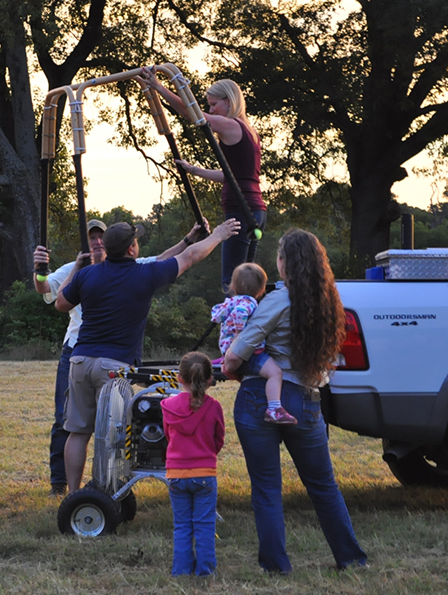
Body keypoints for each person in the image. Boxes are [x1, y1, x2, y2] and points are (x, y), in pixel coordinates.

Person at [54, 217, 240, 494]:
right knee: (113, 434)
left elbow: (60, 303)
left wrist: (77, 270)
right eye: (136, 241)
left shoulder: (87, 275)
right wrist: (219, 236)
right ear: (131, 249)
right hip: (113, 367)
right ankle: (108, 491)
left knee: (78, 432)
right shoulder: (144, 274)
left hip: (79, 360)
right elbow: (189, 258)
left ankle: (72, 494)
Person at [222, 229, 368, 574]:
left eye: (279, 257)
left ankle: (276, 566)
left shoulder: (276, 300)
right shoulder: (330, 303)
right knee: (323, 485)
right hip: (306, 400)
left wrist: (232, 363)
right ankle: (351, 558)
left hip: (262, 398)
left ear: (285, 263)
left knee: (267, 488)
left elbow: (235, 355)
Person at [140, 70, 267, 293]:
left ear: (229, 102)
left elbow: (194, 115)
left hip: (242, 211)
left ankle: (234, 325)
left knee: (232, 282)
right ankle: (246, 321)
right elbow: (232, 175)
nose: (210, 110)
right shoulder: (249, 131)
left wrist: (159, 88)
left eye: (214, 104)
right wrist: (194, 170)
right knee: (246, 282)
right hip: (254, 210)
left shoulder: (232, 125)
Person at [160, 351, 224, 577]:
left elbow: (169, 437)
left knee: (182, 525)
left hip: (176, 474)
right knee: (205, 525)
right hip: (205, 473)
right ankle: (205, 571)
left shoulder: (167, 405)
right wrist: (206, 453)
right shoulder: (214, 407)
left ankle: (181, 570)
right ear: (209, 379)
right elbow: (219, 440)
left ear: (179, 378)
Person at [211, 262, 293, 424]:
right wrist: (241, 334)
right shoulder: (249, 303)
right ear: (262, 289)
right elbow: (240, 314)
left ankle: (229, 368)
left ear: (233, 286)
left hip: (227, 349)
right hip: (249, 352)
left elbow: (216, 316)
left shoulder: (230, 301)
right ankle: (274, 408)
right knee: (275, 373)